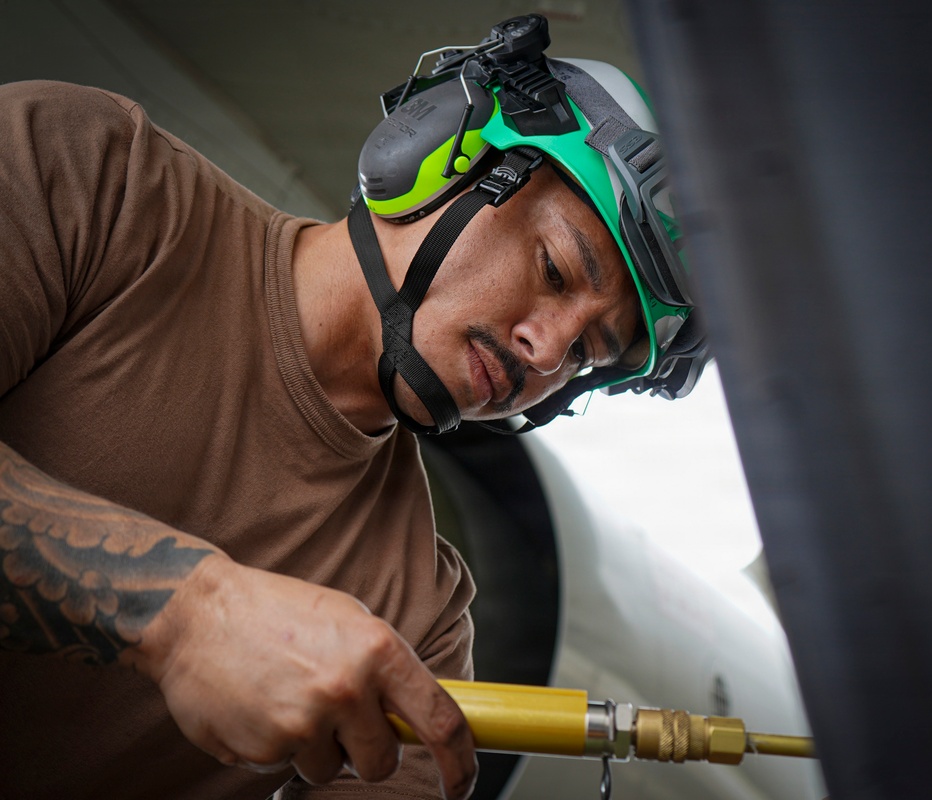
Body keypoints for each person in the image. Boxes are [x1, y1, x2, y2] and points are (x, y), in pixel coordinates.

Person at [0, 14, 707, 800]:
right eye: (554, 270)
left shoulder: (422, 631)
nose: (548, 353)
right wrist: (184, 613)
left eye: (586, 353)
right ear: (446, 152)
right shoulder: (97, 178)